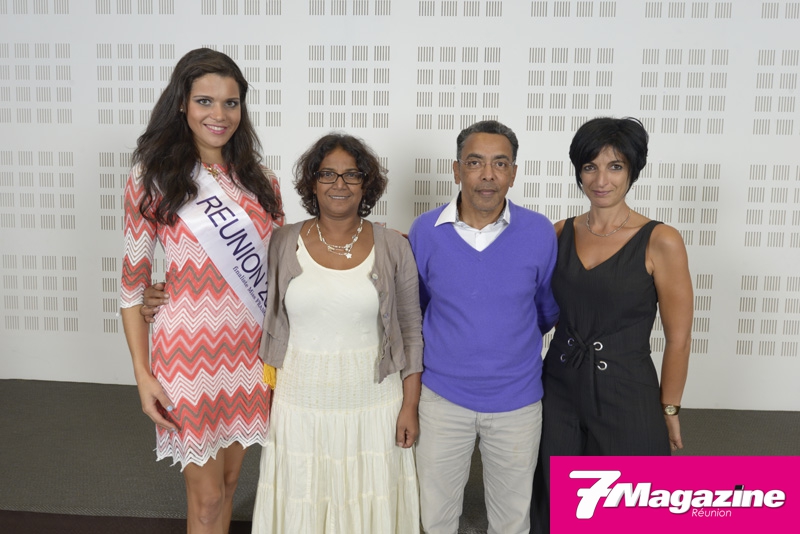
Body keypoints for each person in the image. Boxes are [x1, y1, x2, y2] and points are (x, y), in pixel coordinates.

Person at [119, 48, 283, 534]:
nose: (220, 114)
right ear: (182, 104)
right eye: (205, 101)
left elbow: (281, 265)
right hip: (188, 355)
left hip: (249, 352)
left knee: (229, 485)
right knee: (207, 497)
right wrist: (142, 374)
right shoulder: (152, 177)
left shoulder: (262, 182)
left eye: (231, 103)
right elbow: (131, 286)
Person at [251, 134, 422, 533]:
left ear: (366, 184)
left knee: (369, 501)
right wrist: (164, 293)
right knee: (304, 499)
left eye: (352, 174)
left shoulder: (393, 246)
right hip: (300, 401)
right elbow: (242, 301)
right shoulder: (282, 242)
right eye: (327, 174)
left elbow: (411, 331)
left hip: (374, 403)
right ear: (312, 183)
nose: (339, 184)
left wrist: (410, 406)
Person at [533, 117, 693, 533]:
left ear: (633, 170)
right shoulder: (558, 233)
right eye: (590, 167)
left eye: (615, 166)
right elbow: (524, 306)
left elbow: (678, 338)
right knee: (557, 508)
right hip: (558, 389)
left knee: (626, 508)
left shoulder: (661, 239)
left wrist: (670, 407)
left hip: (628, 390)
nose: (601, 180)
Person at [408, 120, 559, 534]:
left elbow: (545, 309)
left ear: (513, 173)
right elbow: (418, 309)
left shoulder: (539, 232)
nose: (488, 174)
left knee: (512, 521)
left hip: (517, 401)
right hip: (442, 399)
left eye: (500, 163)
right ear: (457, 170)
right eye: (475, 162)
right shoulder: (425, 231)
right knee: (435, 518)